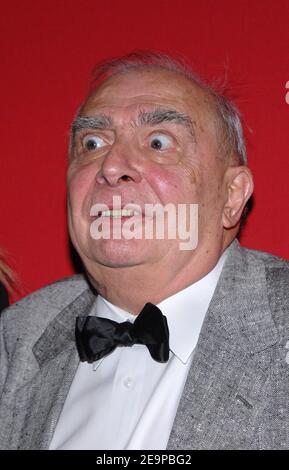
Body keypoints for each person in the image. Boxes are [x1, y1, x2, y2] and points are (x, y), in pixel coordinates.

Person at [0, 51, 288, 451]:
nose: (111, 165)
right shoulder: (14, 340)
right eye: (92, 142)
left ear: (231, 195)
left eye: (158, 141)